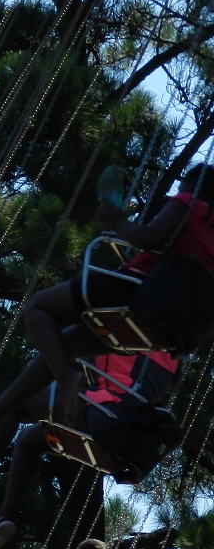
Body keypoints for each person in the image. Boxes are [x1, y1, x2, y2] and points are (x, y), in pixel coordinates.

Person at [16, 163, 214, 423]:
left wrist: (117, 220)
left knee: (38, 308)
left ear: (191, 184)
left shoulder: (189, 203)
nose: (176, 192)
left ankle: (64, 378)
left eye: (181, 186)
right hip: (173, 330)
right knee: (60, 348)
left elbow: (147, 239)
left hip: (139, 294)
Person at [0, 350, 178, 549]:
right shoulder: (174, 352)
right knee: (28, 441)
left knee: (13, 404)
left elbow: (70, 347)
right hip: (127, 443)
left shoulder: (127, 329)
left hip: (108, 413)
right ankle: (3, 517)